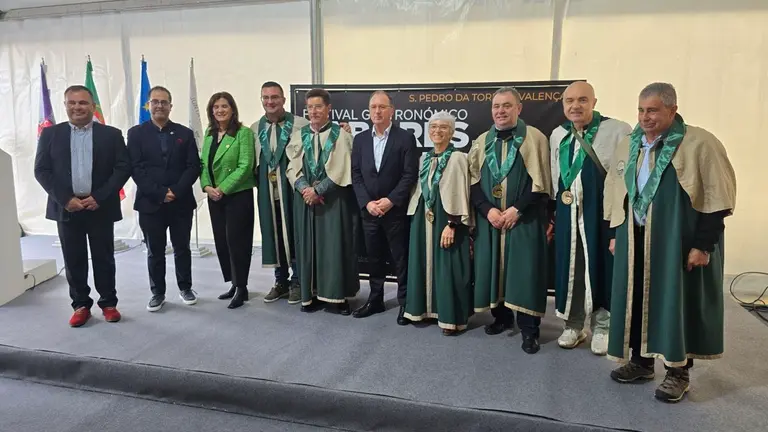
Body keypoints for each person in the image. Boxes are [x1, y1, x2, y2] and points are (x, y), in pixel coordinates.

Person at [604, 83, 736, 403]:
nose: (644, 117)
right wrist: (614, 232)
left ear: (672, 110)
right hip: (635, 240)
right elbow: (615, 189)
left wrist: (703, 245)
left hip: (678, 241)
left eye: (652, 110)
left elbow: (717, 198)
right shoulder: (630, 144)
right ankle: (642, 361)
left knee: (677, 303)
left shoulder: (699, 142)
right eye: (640, 110)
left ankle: (678, 372)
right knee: (636, 299)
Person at [34, 85, 131, 327]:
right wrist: (66, 199)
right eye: (72, 103)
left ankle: (108, 303)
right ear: (65, 105)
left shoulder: (111, 134)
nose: (77, 107)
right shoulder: (50, 135)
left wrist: (99, 196)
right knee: (73, 258)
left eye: (83, 103)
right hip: (66, 207)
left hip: (99, 206)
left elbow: (122, 168)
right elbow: (42, 170)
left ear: (93, 106)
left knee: (104, 258)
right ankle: (80, 305)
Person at [549, 81, 632, 354]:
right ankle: (573, 325)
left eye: (582, 100)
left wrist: (617, 225)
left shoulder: (617, 130)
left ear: (594, 102)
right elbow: (556, 178)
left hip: (601, 215)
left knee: (601, 266)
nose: (575, 106)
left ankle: (603, 326)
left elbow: (624, 180)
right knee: (569, 267)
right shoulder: (557, 134)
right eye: (569, 100)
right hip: (567, 213)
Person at [469, 87, 552, 353]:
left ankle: (530, 330)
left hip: (522, 220)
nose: (500, 111)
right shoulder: (482, 141)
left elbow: (541, 183)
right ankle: (501, 319)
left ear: (519, 108)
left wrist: (517, 209)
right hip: (491, 220)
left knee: (524, 274)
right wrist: (486, 210)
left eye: (507, 105)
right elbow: (472, 183)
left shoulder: (534, 138)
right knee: (494, 270)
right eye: (496, 106)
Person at [285, 88, 359, 314]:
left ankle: (337, 297)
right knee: (308, 247)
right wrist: (304, 188)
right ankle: (312, 295)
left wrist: (319, 190)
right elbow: (292, 166)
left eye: (318, 106)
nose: (314, 112)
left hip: (333, 202)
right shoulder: (299, 136)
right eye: (310, 108)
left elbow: (342, 169)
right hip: (306, 202)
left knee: (334, 247)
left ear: (328, 108)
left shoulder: (342, 135)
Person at [128, 86, 201, 312]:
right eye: (155, 101)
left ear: (171, 105)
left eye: (164, 102)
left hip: (180, 202)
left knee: (182, 248)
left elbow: (193, 166)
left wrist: (175, 191)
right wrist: (160, 193)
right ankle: (157, 292)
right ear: (148, 105)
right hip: (150, 203)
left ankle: (185, 287)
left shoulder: (184, 133)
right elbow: (135, 168)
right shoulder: (136, 133)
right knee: (155, 250)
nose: (160, 105)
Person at [351, 90, 419, 322]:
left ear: (392, 110)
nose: (377, 111)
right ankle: (376, 300)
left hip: (395, 211)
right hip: (369, 211)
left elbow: (410, 175)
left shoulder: (405, 138)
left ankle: (405, 303)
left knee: (400, 259)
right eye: (373, 107)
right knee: (374, 258)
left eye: (382, 107)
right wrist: (367, 203)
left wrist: (390, 201)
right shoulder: (360, 140)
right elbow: (356, 175)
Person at [404, 111, 472, 336]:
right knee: (422, 262)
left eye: (443, 127)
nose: (437, 131)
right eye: (433, 127)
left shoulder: (458, 158)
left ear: (452, 132)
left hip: (447, 218)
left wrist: (453, 223)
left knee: (448, 266)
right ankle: (422, 310)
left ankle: (450, 317)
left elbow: (462, 191)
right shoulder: (424, 158)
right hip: (423, 215)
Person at [252, 81, 309, 305]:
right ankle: (280, 281)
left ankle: (297, 281)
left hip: (293, 194)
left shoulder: (300, 125)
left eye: (274, 97)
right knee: (273, 236)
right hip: (268, 194)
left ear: (284, 99)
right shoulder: (255, 128)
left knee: (293, 237)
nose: (270, 101)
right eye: (265, 97)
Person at [200, 91, 256, 309]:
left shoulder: (243, 133)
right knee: (222, 242)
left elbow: (245, 165)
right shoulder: (209, 133)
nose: (220, 110)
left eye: (224, 106)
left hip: (237, 195)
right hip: (214, 196)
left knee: (238, 243)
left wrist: (222, 188)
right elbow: (203, 163)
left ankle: (242, 287)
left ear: (232, 109)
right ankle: (233, 282)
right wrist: (206, 186)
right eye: (216, 107)